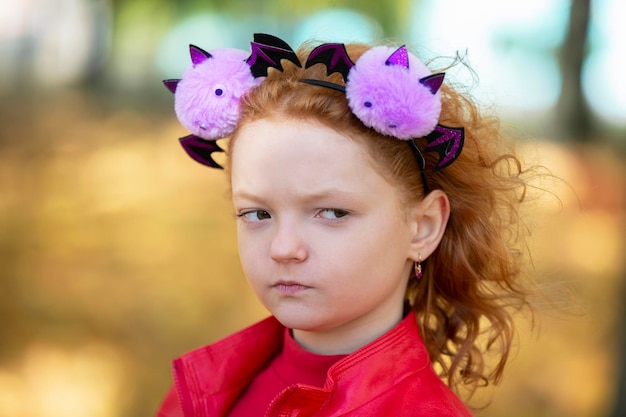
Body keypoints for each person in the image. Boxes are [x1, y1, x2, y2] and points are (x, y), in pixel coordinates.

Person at [156, 33, 536, 416]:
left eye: (332, 213)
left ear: (422, 227)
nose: (283, 248)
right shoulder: (200, 392)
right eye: (258, 214)